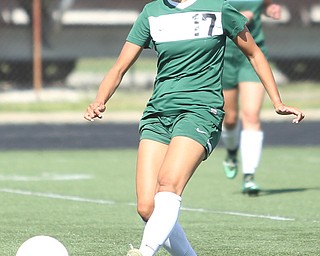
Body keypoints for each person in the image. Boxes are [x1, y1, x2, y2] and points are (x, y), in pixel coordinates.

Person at [84, 0, 305, 255]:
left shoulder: (219, 8)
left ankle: (144, 252)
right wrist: (100, 100)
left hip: (201, 111)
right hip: (158, 113)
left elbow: (254, 53)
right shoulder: (152, 12)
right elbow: (120, 67)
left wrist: (276, 101)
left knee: (168, 184)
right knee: (147, 207)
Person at [220, 0, 282, 196]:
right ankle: (231, 153)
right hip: (224, 55)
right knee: (229, 119)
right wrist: (235, 19)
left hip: (253, 53)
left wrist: (269, 7)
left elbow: (266, 3)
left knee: (251, 115)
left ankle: (249, 176)